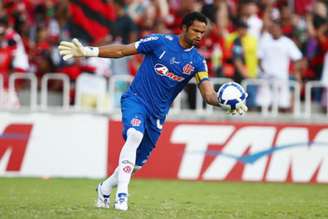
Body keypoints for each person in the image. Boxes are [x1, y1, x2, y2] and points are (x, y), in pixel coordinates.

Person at [58, 12, 247, 211]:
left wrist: (226, 103)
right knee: (133, 134)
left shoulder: (198, 62)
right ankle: (122, 196)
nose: (200, 35)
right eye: (196, 30)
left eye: (203, 32)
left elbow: (208, 95)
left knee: (135, 165)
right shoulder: (159, 41)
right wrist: (88, 52)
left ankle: (104, 188)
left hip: (157, 115)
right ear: (183, 28)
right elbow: (123, 51)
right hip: (136, 99)